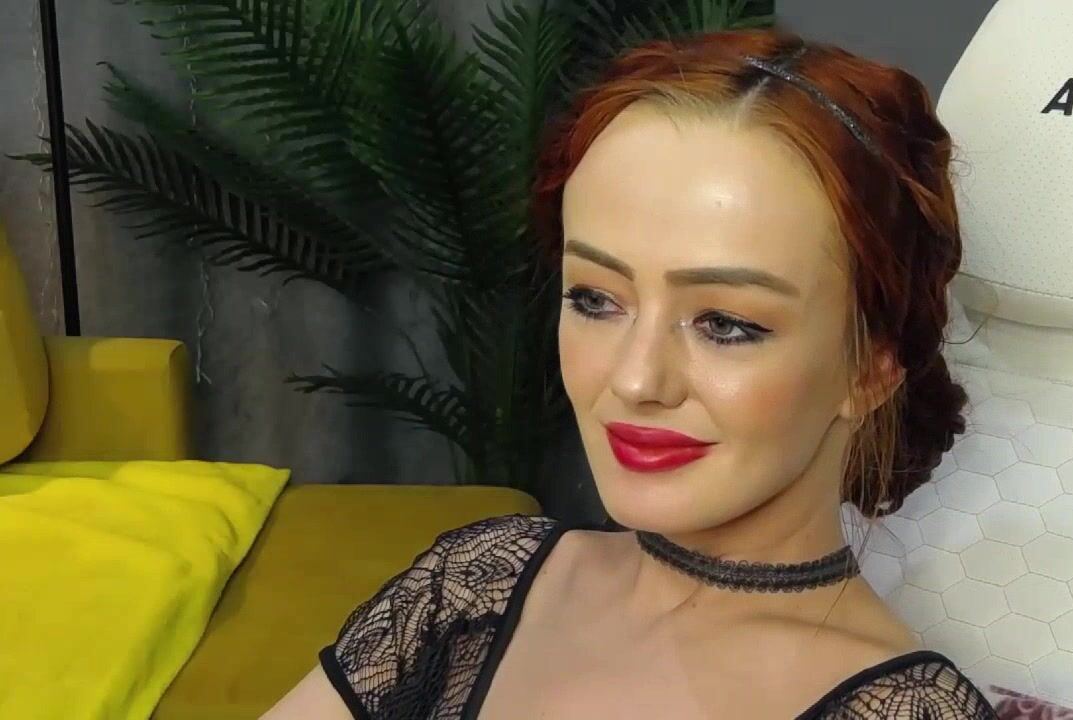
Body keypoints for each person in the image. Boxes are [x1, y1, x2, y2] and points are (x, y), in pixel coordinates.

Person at [263, 27, 998, 720]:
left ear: (872, 369)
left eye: (726, 323)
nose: (637, 380)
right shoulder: (474, 585)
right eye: (595, 299)